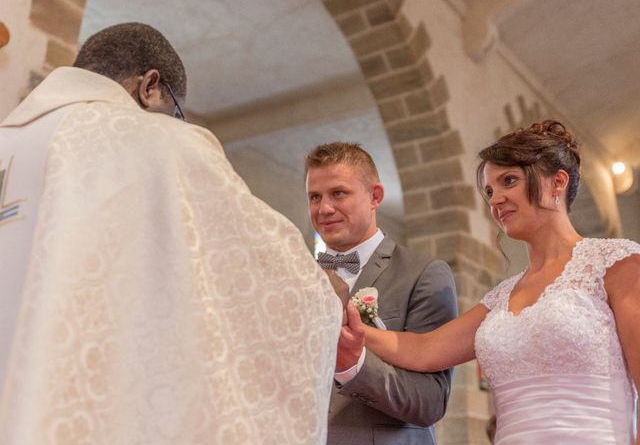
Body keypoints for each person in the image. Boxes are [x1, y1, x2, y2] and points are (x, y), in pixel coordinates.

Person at [0, 22, 342, 444]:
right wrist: (328, 294)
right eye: (176, 110)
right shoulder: (159, 142)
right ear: (149, 87)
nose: (176, 123)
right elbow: (275, 283)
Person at [340, 121, 640, 444]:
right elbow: (424, 350)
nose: (495, 199)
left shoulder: (616, 263)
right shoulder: (500, 298)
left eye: (508, 181)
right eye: (489, 190)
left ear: (558, 182)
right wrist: (342, 324)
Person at [304, 142, 458, 444]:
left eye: (338, 193)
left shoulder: (424, 274)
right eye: (314, 197)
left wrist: (354, 367)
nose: (324, 208)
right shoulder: (296, 277)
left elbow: (431, 401)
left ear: (375, 196)